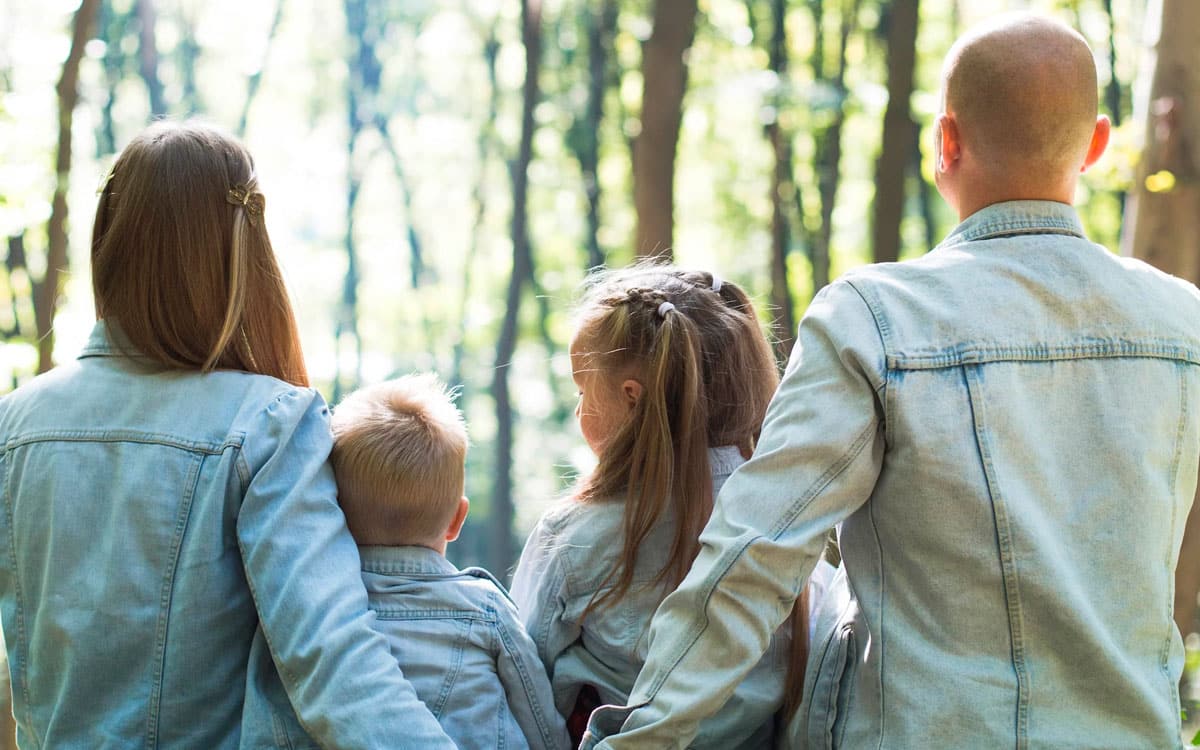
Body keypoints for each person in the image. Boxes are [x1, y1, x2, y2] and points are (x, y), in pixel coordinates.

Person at [581, 14, 1200, 750]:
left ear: (946, 141)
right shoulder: (1183, 323)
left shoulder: (875, 319)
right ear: (1097, 144)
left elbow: (755, 554)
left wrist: (638, 737)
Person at [0, 121, 454, 748]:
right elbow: (333, 662)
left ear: (108, 240)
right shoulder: (267, 424)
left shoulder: (14, 425)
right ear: (244, 251)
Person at [512, 265, 835, 748]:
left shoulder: (573, 535)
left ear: (631, 399)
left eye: (583, 391)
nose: (579, 410)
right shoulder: (790, 524)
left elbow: (523, 678)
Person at [327, 373, 569, 749]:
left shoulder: (322, 609)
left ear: (336, 514)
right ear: (457, 520)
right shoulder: (484, 608)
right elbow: (540, 721)